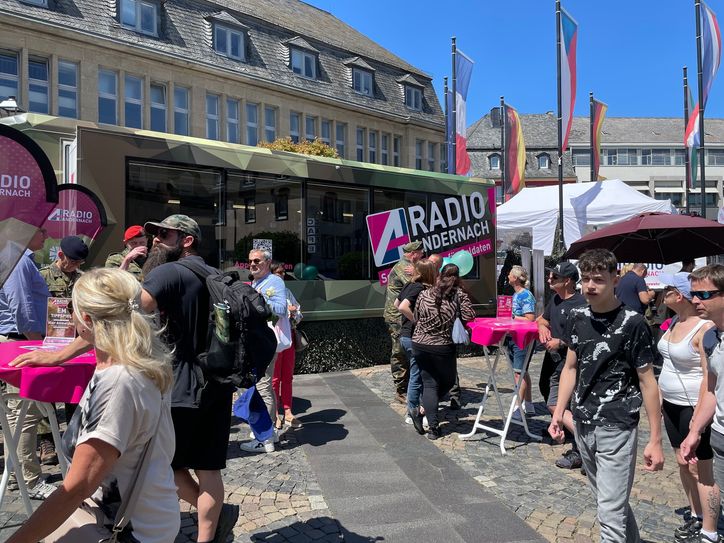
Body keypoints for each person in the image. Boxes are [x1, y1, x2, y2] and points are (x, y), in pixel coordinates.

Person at [7, 268, 180, 543]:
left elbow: (77, 487)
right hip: (152, 515)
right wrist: (56, 357)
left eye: (73, 309)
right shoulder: (144, 358)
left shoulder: (117, 383)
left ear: (85, 319)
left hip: (131, 532)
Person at [549, 248, 664, 543]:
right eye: (586, 278)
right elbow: (571, 368)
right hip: (583, 422)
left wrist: (654, 439)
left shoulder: (633, 323)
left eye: (598, 279)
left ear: (615, 279)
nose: (590, 286)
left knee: (609, 515)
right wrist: (560, 412)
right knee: (609, 500)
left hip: (617, 424)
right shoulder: (577, 316)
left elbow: (647, 381)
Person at [141, 214, 239, 543]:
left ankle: (209, 513)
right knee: (208, 468)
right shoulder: (215, 274)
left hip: (183, 385)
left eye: (164, 234)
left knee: (164, 463)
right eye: (154, 234)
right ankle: (208, 534)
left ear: (186, 240)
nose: (155, 239)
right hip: (218, 382)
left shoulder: (169, 272)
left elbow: (130, 310)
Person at [657, 272, 719, 543]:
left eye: (667, 290)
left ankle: (710, 527)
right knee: (683, 464)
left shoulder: (704, 329)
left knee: (700, 470)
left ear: (678, 294)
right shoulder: (671, 322)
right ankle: (695, 515)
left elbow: (710, 377)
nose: (662, 294)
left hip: (693, 406)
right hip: (670, 405)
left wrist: (697, 420)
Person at [0, 227, 56, 499]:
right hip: (22, 341)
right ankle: (29, 481)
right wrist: (38, 344)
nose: (46, 235)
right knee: (24, 412)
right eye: (41, 230)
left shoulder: (19, 258)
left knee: (20, 411)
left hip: (19, 340)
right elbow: (21, 307)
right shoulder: (19, 259)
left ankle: (18, 476)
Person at [680, 264, 724, 543]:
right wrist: (695, 431)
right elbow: (710, 389)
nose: (695, 300)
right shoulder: (710, 337)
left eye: (704, 294)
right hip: (720, 433)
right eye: (694, 294)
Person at [410, 263, 475, 439]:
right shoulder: (458, 294)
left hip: (419, 343)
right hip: (442, 345)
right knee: (446, 382)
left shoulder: (424, 293)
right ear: (458, 278)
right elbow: (470, 316)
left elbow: (415, 317)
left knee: (430, 384)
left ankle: (432, 427)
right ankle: (425, 413)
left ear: (440, 275)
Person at [536, 261, 586, 470]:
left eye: (554, 277)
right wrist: (541, 328)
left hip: (571, 364)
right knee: (548, 394)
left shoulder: (581, 303)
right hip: (553, 361)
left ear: (568, 281)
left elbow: (583, 335)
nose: (549, 279)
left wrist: (561, 342)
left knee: (563, 403)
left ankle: (584, 445)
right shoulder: (555, 300)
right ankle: (580, 441)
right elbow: (541, 319)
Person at [241, 248, 288, 453]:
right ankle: (271, 433)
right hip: (258, 342)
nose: (252, 264)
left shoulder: (275, 282)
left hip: (266, 343)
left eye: (257, 261)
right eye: (250, 261)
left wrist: (258, 300)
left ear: (267, 263)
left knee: (262, 386)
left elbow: (281, 309)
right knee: (262, 386)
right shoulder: (256, 282)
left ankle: (265, 438)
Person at [395, 258, 439, 425]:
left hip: (406, 335)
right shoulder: (419, 287)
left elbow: (396, 302)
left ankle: (417, 408)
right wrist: (417, 321)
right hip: (413, 336)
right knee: (417, 375)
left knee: (418, 373)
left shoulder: (408, 285)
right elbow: (402, 307)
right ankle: (412, 411)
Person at [383, 240, 425, 404]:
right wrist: (419, 271)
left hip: (404, 316)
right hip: (397, 317)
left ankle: (410, 387)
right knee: (399, 351)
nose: (422, 254)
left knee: (407, 351)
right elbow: (419, 283)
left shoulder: (411, 267)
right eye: (421, 252)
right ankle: (401, 391)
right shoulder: (404, 267)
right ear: (413, 254)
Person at [270, 261, 303, 429]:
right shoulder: (267, 292)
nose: (281, 275)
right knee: (274, 378)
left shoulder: (287, 292)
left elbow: (299, 313)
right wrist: (286, 310)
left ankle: (288, 410)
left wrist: (294, 313)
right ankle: (275, 412)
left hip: (288, 337)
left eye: (283, 273)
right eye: (278, 273)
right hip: (273, 339)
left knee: (287, 376)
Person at [506, 265, 536, 418]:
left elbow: (530, 319)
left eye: (510, 274)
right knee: (522, 371)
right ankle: (529, 405)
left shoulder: (525, 295)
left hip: (523, 337)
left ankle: (518, 408)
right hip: (515, 336)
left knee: (519, 373)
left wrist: (511, 318)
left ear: (516, 278)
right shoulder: (517, 294)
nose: (507, 275)